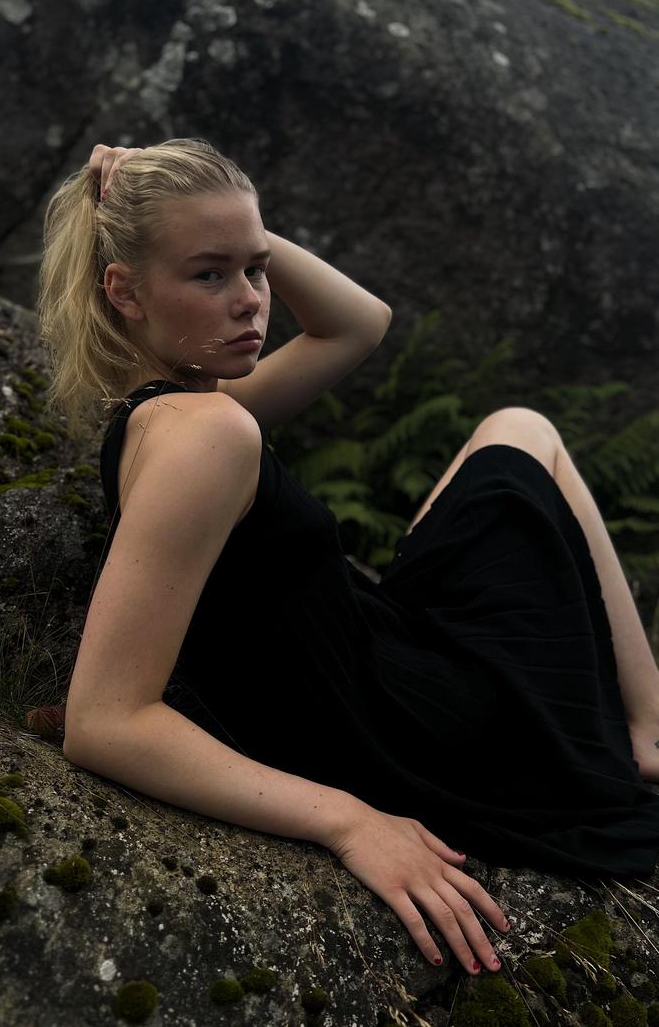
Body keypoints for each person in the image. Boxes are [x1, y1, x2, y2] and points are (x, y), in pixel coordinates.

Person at [35, 138, 659, 977]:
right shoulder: (206, 433)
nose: (249, 301)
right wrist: (349, 819)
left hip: (381, 653)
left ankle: (647, 729)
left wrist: (215, 225)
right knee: (526, 435)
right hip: (411, 725)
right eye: (208, 274)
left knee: (520, 429)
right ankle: (649, 731)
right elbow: (104, 721)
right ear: (124, 291)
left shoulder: (177, 411)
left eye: (255, 269)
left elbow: (358, 322)